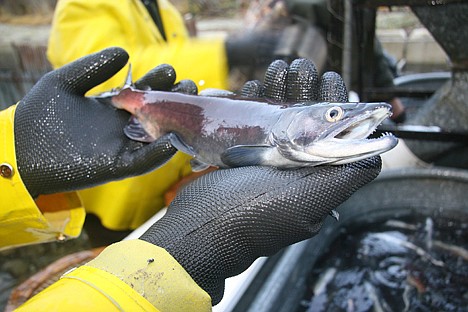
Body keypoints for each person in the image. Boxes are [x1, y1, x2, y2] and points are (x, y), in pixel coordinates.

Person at [2, 48, 381, 310]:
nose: (341, 119)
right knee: (107, 237)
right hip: (114, 210)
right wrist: (180, 256)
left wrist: (9, 159)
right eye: (333, 114)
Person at [46, 0, 280, 238]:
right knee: (121, 257)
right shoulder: (81, 5)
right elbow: (107, 75)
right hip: (114, 187)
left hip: (163, 181)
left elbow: (180, 84)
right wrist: (226, 52)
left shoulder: (164, 9)